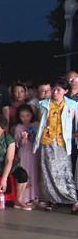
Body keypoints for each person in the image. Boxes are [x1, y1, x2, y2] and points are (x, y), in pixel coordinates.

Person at [33, 79, 78, 212]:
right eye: (53, 89)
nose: (55, 92)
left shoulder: (72, 104)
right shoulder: (43, 104)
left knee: (65, 171)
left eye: (59, 90)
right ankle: (51, 200)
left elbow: (72, 122)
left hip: (62, 142)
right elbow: (41, 122)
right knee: (47, 171)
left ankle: (73, 200)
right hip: (46, 141)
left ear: (66, 91)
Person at [13, 105, 39, 204]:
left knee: (35, 172)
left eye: (28, 115)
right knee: (26, 171)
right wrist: (23, 138)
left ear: (32, 115)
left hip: (35, 152)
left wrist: (35, 137)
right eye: (22, 116)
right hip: (24, 153)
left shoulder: (36, 125)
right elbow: (20, 144)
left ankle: (35, 196)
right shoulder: (18, 128)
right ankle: (24, 197)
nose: (25, 118)